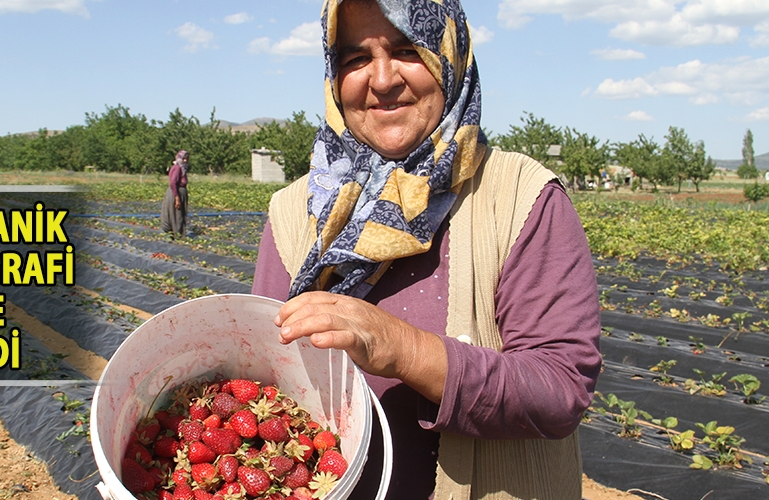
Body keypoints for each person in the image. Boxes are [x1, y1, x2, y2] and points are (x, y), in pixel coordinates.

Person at [250, 0, 601, 498]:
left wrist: (403, 348)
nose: (383, 78)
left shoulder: (521, 196)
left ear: (450, 57)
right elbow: (266, 384)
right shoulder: (295, 212)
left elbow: (560, 389)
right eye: (355, 58)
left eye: (407, 49)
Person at [160, 150, 189, 237]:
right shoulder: (177, 168)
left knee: (178, 214)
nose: (185, 161)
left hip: (178, 192)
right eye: (184, 159)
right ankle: (177, 234)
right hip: (176, 192)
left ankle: (177, 234)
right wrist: (177, 198)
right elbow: (173, 183)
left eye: (187, 159)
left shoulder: (181, 168)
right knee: (177, 214)